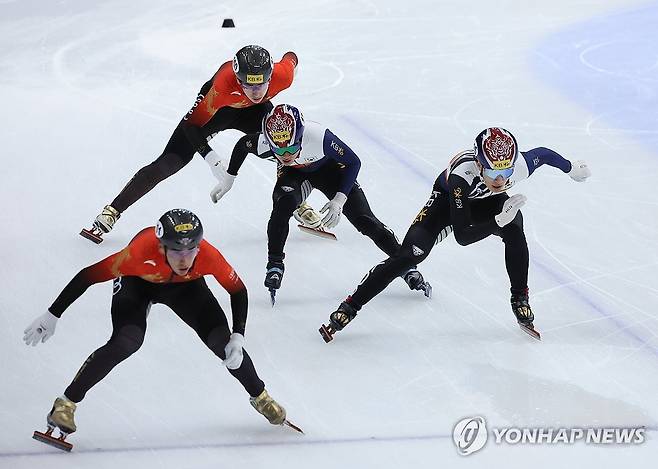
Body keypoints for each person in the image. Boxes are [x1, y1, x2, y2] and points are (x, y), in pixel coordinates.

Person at [26, 209, 299, 449]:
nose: (185, 258)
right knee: (126, 341)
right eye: (177, 251)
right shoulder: (137, 254)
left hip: (187, 289)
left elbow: (238, 291)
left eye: (191, 250)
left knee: (224, 343)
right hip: (137, 283)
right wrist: (53, 314)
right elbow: (88, 276)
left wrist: (238, 335)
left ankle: (261, 396)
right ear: (162, 247)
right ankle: (65, 403)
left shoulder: (208, 256)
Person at [319, 127, 591, 342]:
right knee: (409, 255)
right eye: (494, 171)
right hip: (447, 205)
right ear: (479, 163)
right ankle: (350, 306)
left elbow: (544, 154)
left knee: (515, 231)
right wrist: (497, 220)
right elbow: (463, 236)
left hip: (486, 204)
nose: (500, 180)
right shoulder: (462, 174)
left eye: (506, 171)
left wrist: (570, 168)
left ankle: (520, 296)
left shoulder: (517, 166)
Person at [81, 45, 318, 243]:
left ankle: (296, 201)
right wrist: (212, 160)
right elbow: (190, 126)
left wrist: (289, 59)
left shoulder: (283, 75)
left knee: (282, 144)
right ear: (237, 79)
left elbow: (291, 57)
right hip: (218, 112)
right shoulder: (222, 86)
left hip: (253, 114)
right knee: (171, 161)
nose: (255, 91)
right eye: (247, 84)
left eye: (260, 84)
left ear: (271, 76)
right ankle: (112, 211)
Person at [209, 103, 431, 304]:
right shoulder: (266, 143)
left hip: (333, 172)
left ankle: (405, 266)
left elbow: (353, 162)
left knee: (365, 221)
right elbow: (241, 146)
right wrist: (228, 180)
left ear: (301, 136)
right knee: (282, 207)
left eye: (290, 148)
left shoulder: (319, 137)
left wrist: (339, 199)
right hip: (294, 175)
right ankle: (275, 263)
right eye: (279, 151)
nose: (285, 155)